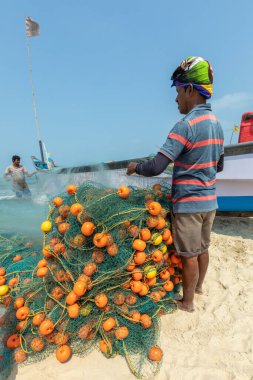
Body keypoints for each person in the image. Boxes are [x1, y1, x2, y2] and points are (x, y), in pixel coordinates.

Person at [127, 56, 224, 312]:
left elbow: (156, 166)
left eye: (179, 91)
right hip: (210, 202)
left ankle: (188, 301)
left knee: (188, 255)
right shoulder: (217, 125)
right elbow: (219, 165)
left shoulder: (185, 125)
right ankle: (200, 286)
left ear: (190, 90)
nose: (176, 98)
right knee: (203, 248)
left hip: (189, 206)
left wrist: (136, 167)